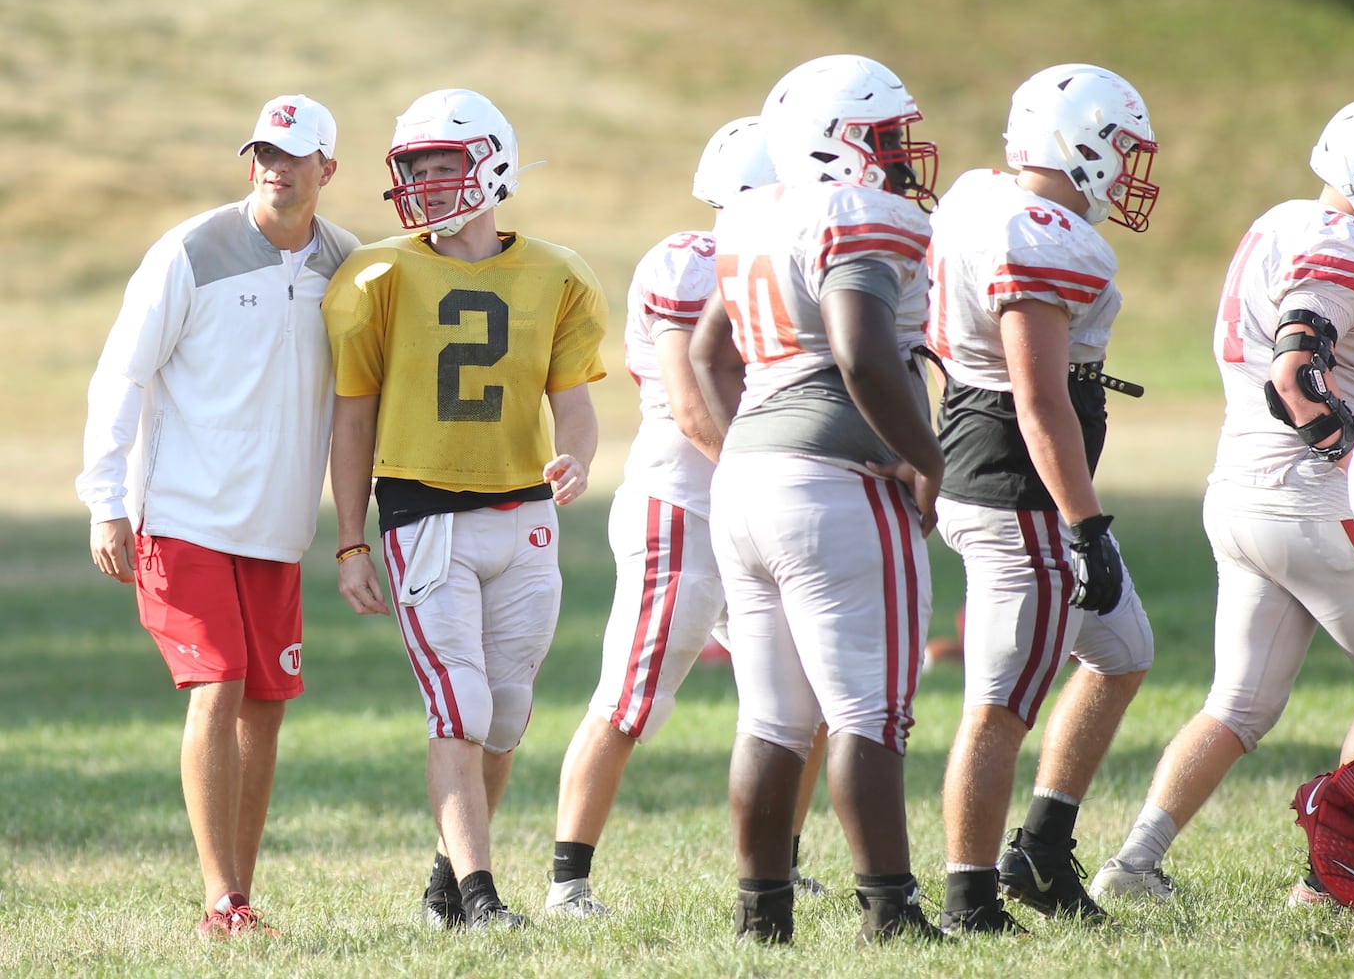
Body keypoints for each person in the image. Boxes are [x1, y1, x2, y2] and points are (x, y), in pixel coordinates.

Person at [323, 88, 608, 931]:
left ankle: (447, 881)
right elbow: (352, 412)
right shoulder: (377, 272)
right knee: (460, 706)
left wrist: (580, 458)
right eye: (414, 169)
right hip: (423, 511)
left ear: (494, 163)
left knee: (508, 711)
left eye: (443, 166)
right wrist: (349, 540)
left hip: (523, 508)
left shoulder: (558, 271)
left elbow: (575, 398)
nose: (426, 184)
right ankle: (483, 897)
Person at [77, 94, 357, 937]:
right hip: (182, 514)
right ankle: (221, 901)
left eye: (293, 154)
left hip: (277, 530)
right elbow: (120, 376)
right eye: (263, 152)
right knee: (220, 684)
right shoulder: (189, 251)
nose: (274, 167)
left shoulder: (347, 265)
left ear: (327, 170)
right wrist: (106, 501)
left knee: (266, 703)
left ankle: (240, 891)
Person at [544, 117, 829, 918]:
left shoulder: (791, 261)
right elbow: (693, 403)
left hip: (752, 502)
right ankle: (569, 879)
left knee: (805, 696)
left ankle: (783, 861)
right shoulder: (689, 263)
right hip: (684, 508)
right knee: (632, 699)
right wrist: (765, 477)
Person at [690, 54, 946, 944]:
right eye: (883, 136)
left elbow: (711, 354)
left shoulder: (753, 214)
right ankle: (890, 910)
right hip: (838, 484)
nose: (902, 155)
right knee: (868, 713)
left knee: (771, 718)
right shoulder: (857, 214)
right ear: (838, 145)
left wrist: (751, 449)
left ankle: (762, 917)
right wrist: (928, 457)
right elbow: (863, 353)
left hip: (748, 482)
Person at [1090, 98, 1354, 909]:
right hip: (1316, 500)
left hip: (1238, 492)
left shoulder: (1284, 220)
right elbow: (1295, 372)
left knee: (1237, 705)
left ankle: (1134, 864)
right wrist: (1347, 454)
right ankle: (1332, 871)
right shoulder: (1344, 248)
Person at [925, 63, 1159, 934]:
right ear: (1082, 143)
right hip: (1022, 483)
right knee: (1002, 698)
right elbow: (1039, 395)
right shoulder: (1039, 232)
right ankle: (967, 898)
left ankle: (1042, 851)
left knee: (1123, 648)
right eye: (1122, 148)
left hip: (1016, 466)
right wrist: (1085, 523)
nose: (1129, 170)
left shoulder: (982, 197)